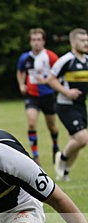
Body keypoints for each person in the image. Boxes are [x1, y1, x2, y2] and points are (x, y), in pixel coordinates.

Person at [49, 28, 88, 182]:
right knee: (82, 138)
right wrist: (66, 92)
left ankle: (64, 172)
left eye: (87, 40)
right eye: (82, 40)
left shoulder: (87, 60)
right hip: (65, 105)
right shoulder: (66, 60)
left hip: (80, 106)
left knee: (79, 141)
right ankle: (62, 158)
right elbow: (51, 79)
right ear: (73, 42)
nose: (86, 43)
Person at [17, 28, 61, 165]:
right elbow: (20, 71)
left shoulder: (51, 56)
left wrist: (48, 80)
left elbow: (60, 72)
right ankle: (35, 156)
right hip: (32, 96)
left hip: (48, 95)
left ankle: (55, 146)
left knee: (52, 127)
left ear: (43, 41)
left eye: (38, 40)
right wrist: (21, 85)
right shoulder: (25, 57)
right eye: (33, 40)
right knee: (31, 124)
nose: (36, 43)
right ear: (30, 42)